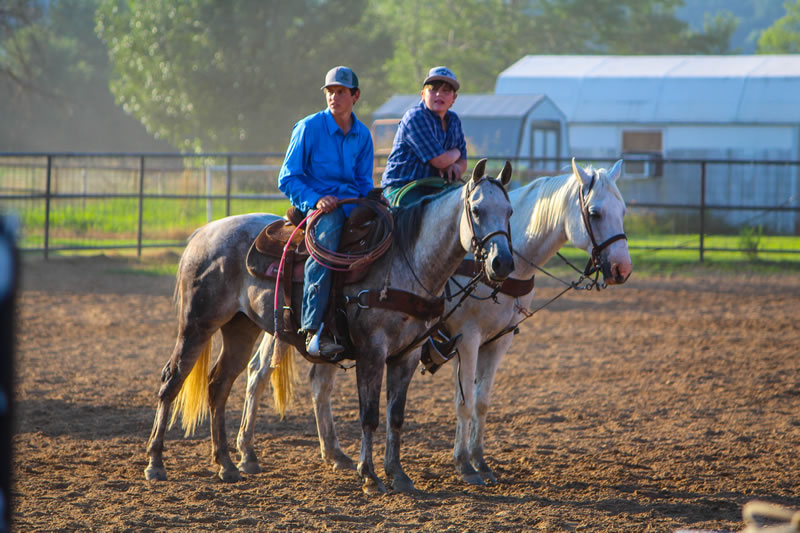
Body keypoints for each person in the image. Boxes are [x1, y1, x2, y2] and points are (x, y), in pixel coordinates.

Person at [278, 66, 374, 361]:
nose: (334, 97)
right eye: (330, 92)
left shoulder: (363, 135)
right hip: (321, 208)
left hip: (352, 206)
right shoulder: (309, 128)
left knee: (387, 234)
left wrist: (371, 203)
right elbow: (288, 177)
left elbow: (363, 181)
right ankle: (312, 327)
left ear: (355, 96)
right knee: (327, 243)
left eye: (341, 92)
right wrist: (317, 199)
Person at [381, 66, 467, 206]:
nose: (439, 94)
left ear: (454, 98)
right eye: (433, 89)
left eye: (446, 91)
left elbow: (463, 161)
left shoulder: (454, 120)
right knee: (421, 215)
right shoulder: (416, 117)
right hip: (403, 188)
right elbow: (440, 161)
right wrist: (455, 152)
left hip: (435, 187)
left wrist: (456, 168)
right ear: (422, 94)